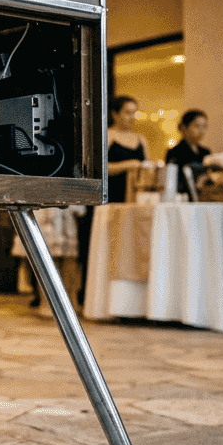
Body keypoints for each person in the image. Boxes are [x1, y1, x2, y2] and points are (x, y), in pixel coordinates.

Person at [77, 96, 148, 303]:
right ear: (115, 114)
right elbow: (97, 168)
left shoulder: (141, 139)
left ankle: (121, 297)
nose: (132, 117)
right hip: (107, 199)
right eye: (127, 112)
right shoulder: (107, 135)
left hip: (130, 200)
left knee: (125, 246)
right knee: (101, 245)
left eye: (134, 112)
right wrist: (128, 165)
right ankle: (92, 295)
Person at [165, 109, 212, 198]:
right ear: (184, 128)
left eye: (205, 126)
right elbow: (174, 180)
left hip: (203, 196)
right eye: (197, 126)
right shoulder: (174, 152)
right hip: (183, 197)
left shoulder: (206, 152)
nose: (201, 131)